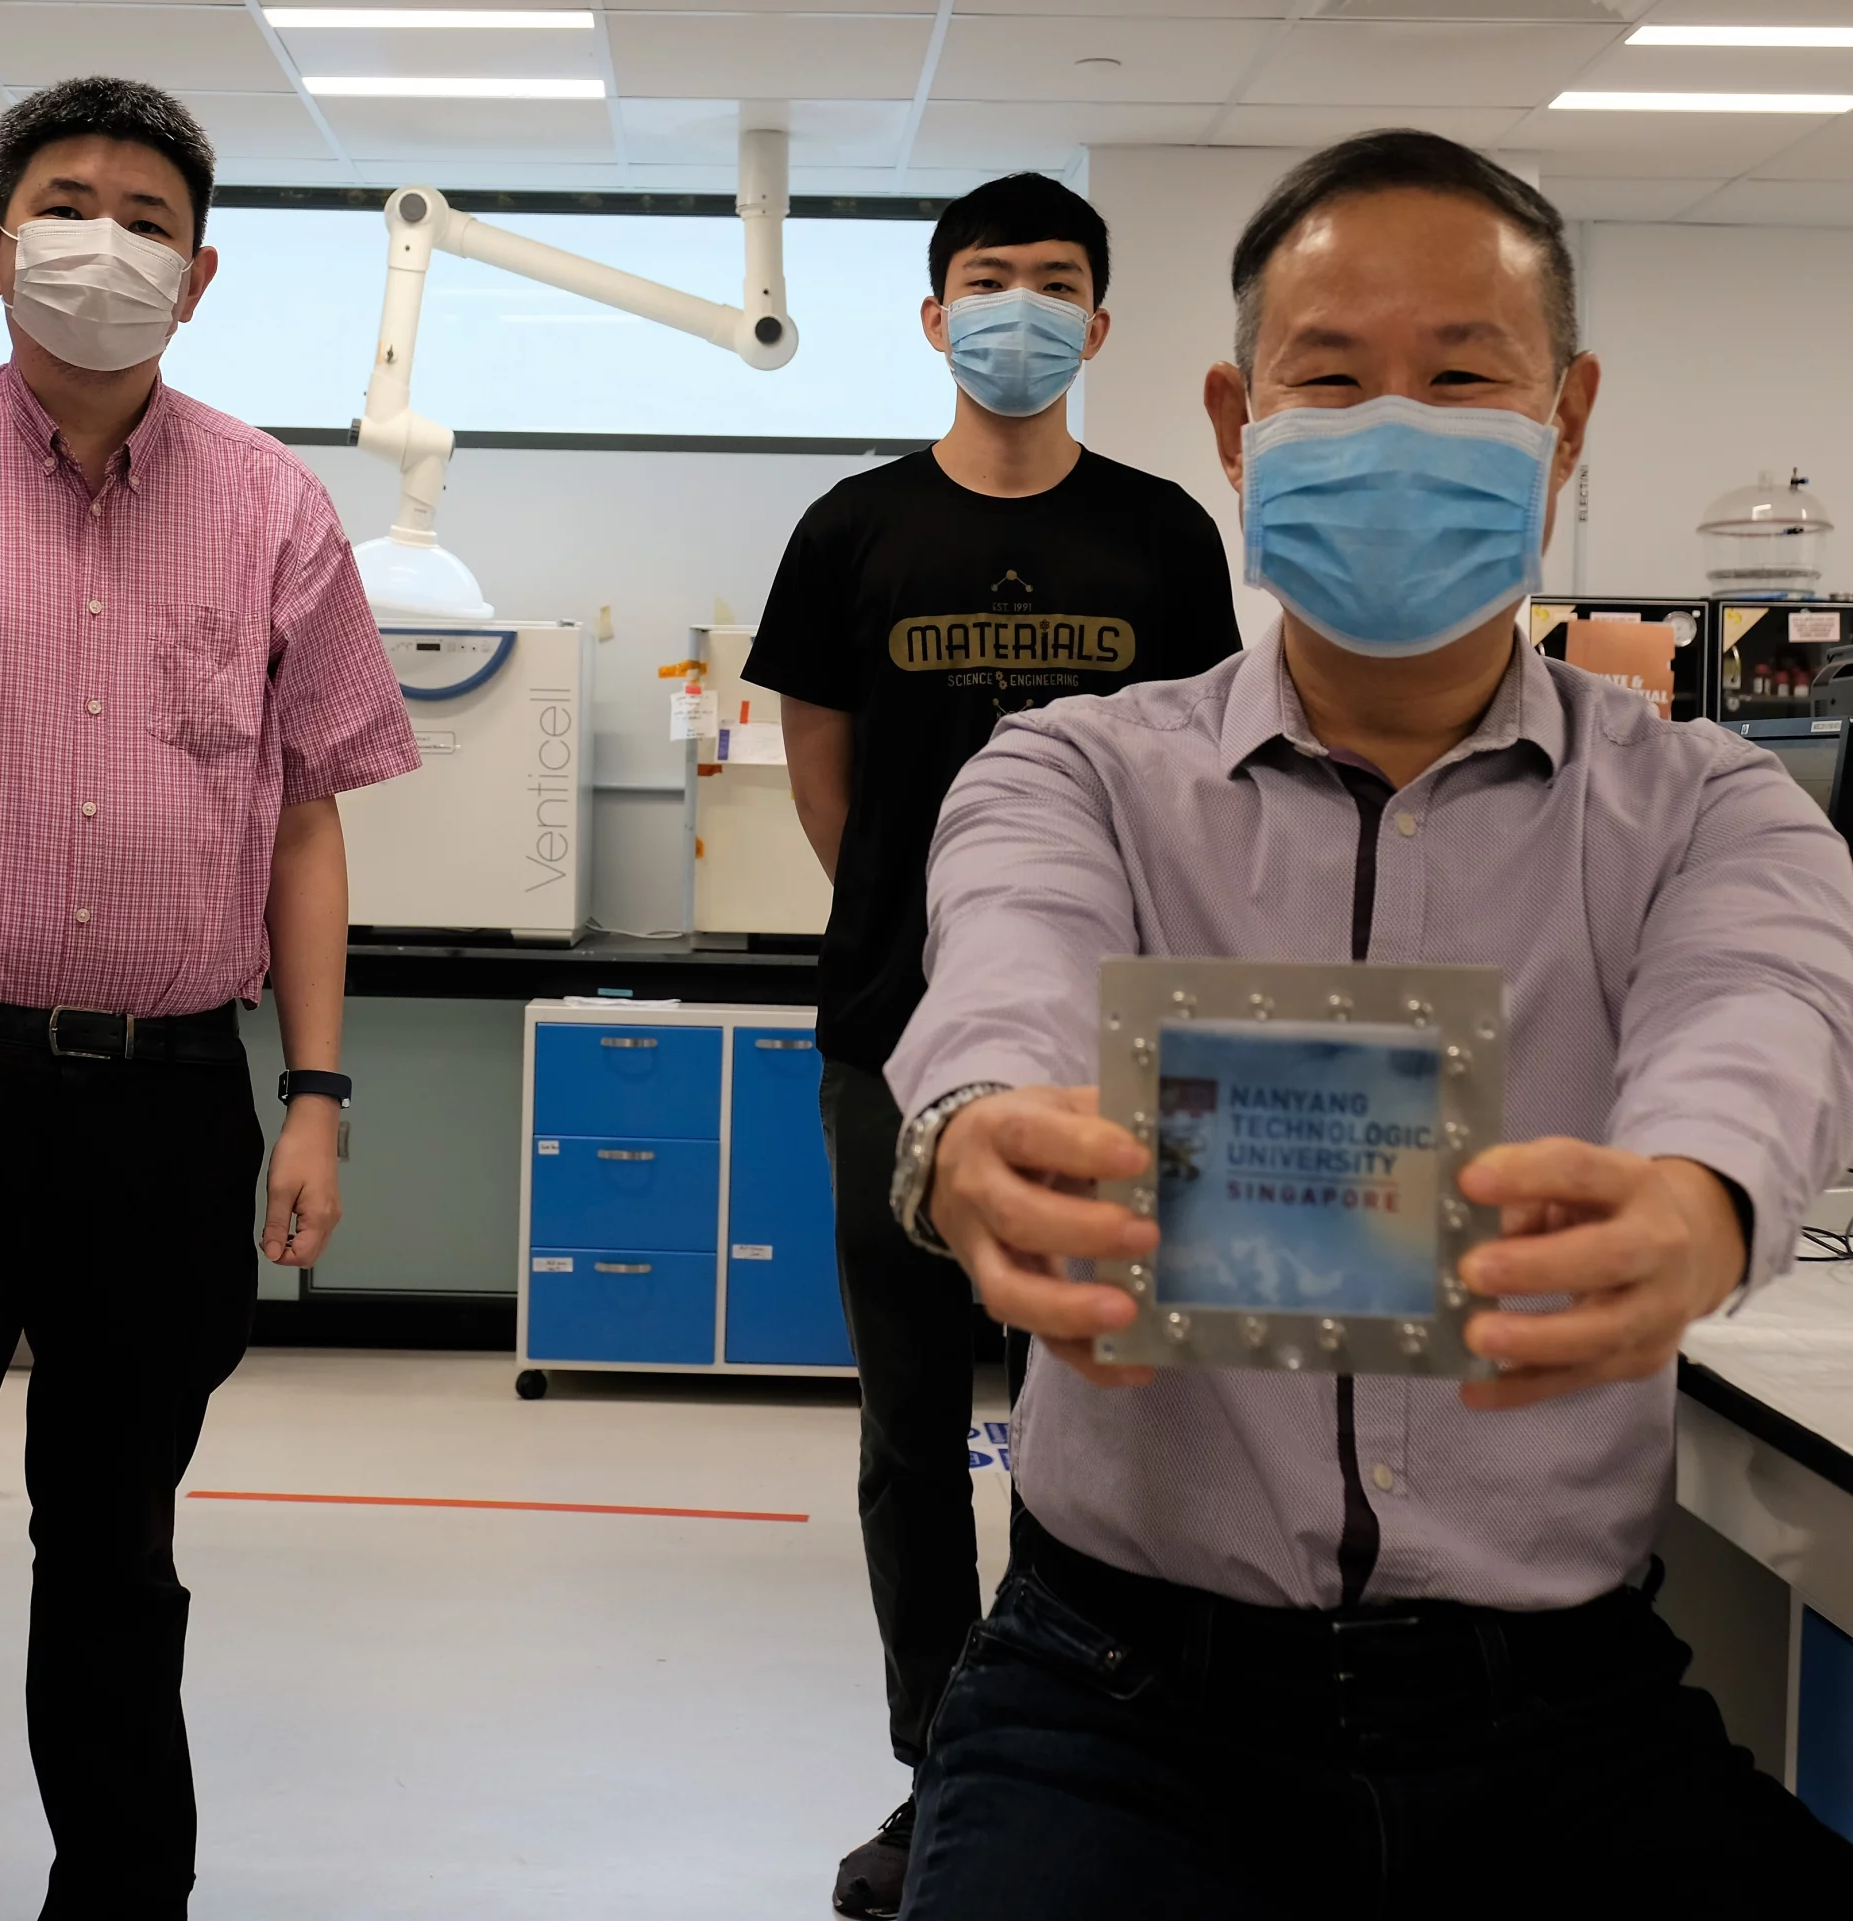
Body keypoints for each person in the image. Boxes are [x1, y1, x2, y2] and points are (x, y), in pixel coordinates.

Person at [884, 131, 1853, 1917]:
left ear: (1564, 421)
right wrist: (976, 1141)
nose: (1395, 419)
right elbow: (1005, 967)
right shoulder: (1076, 772)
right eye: (1330, 375)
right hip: (1115, 1698)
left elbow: (1768, 1006)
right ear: (1236, 423)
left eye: (1463, 373)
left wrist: (1702, 1195)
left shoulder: (1717, 808)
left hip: (1562, 1707)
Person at [0, 77, 420, 1921]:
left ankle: (123, 1898)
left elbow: (303, 825)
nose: (100, 244)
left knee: (117, 1551)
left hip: (161, 1104)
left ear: (198, 277)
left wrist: (319, 1094)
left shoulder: (278, 506)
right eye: (65, 203)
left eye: (144, 218)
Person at [741, 169, 1242, 1917]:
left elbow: (1204, 781)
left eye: (1053, 281)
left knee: (1087, 1417)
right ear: (936, 316)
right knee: (905, 1433)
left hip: (1120, 1049)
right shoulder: (852, 530)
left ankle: (1074, 1756)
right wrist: (934, 943)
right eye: (984, 278)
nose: (1018, 305)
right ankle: (936, 1765)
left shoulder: (1166, 536)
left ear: (1098, 322)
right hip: (889, 1033)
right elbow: (827, 772)